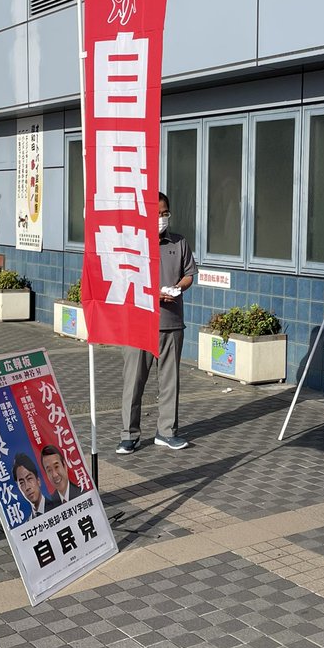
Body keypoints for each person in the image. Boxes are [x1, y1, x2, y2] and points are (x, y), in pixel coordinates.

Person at [117, 192, 196, 454]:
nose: (162, 218)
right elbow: (124, 281)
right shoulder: (132, 244)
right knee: (133, 382)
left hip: (171, 323)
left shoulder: (179, 242)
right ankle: (129, 435)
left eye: (165, 213)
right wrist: (153, 294)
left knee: (170, 381)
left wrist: (178, 287)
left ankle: (167, 432)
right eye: (156, 214)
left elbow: (189, 274)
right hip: (138, 324)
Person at [13, 452, 60, 519]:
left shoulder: (59, 507)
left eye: (29, 479)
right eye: (21, 483)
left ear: (38, 481)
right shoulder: (28, 524)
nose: (27, 487)